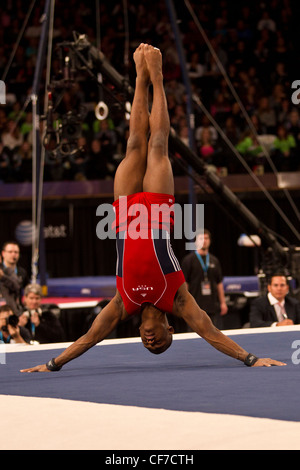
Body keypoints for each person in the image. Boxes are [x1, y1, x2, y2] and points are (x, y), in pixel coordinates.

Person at [20, 44, 285, 373]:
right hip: (158, 213)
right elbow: (210, 331)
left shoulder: (122, 304)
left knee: (133, 143)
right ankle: (156, 78)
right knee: (157, 143)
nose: (150, 340)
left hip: (125, 217)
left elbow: (89, 337)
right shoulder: (177, 300)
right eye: (159, 341)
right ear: (169, 328)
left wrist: (52, 364)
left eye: (148, 344)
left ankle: (139, 76)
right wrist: (250, 358)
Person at [181, 229, 228, 330]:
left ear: (210, 241)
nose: (204, 241)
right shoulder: (188, 260)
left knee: (214, 335)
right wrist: (184, 304)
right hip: (194, 307)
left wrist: (223, 303)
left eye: (206, 238)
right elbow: (185, 284)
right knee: (194, 337)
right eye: (201, 238)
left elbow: (219, 283)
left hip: (212, 306)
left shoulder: (214, 260)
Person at [0, 241, 29, 314]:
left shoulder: (22, 272)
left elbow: (25, 289)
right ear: (3, 253)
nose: (13, 254)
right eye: (10, 252)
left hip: (17, 310)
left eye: (16, 252)